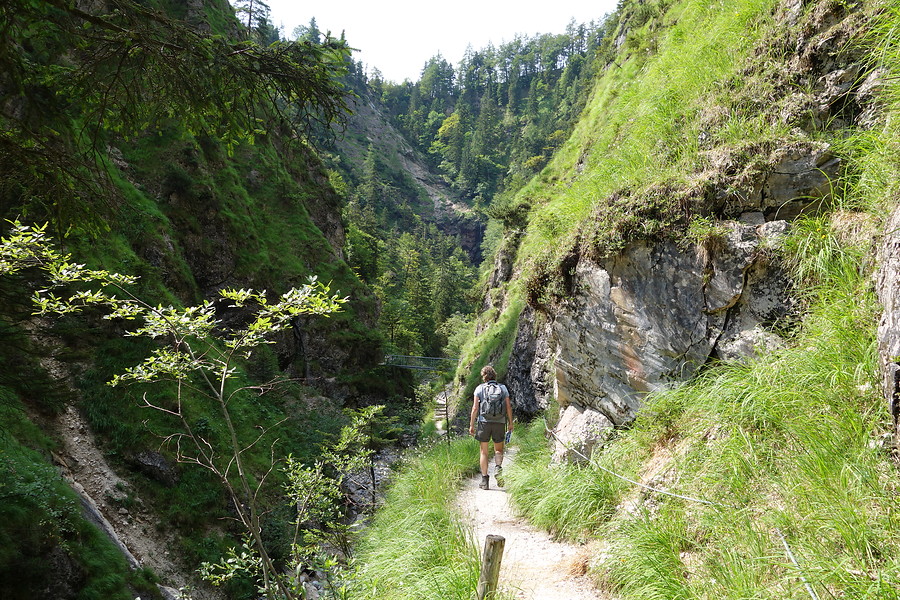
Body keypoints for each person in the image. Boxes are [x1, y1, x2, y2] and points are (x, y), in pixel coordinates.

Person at [469, 365, 513, 490]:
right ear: (495, 375)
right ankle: (498, 468)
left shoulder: (479, 389)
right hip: (500, 422)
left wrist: (472, 425)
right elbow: (508, 407)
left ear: (484, 377)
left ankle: (484, 480)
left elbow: (475, 408)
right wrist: (510, 423)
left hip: (484, 422)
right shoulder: (503, 388)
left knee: (484, 451)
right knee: (498, 450)